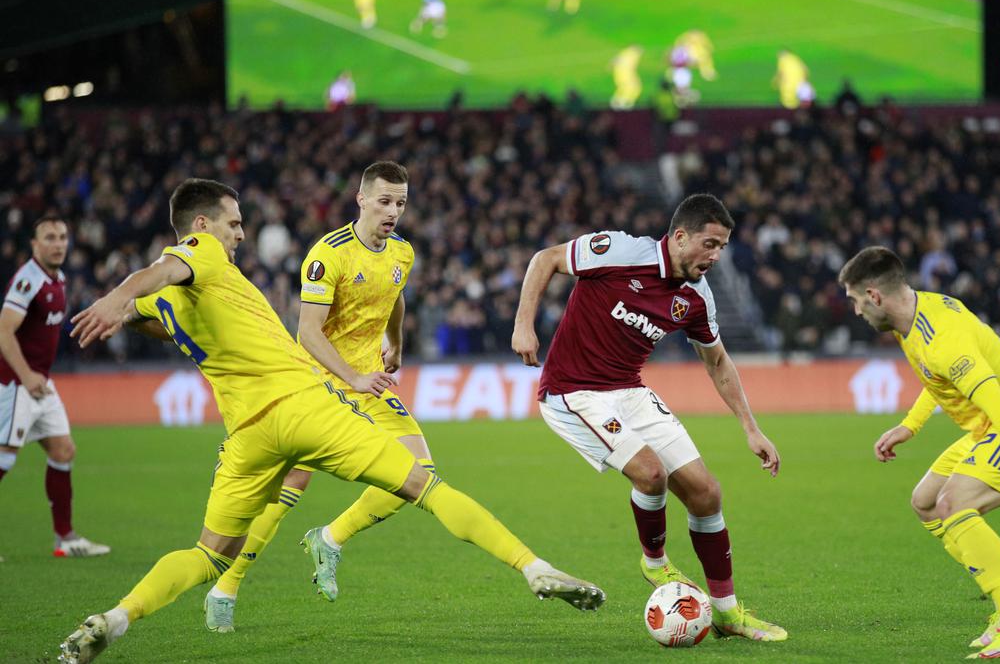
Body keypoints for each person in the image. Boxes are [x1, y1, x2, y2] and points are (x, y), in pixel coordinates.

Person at [57, 179, 604, 663]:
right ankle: (533, 567)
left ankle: (118, 617)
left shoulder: (173, 299)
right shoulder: (200, 252)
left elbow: (149, 312)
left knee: (206, 555)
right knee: (426, 486)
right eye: (235, 223)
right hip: (303, 403)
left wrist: (123, 313)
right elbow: (157, 271)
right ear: (202, 224)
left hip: (246, 435)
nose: (241, 235)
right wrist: (118, 294)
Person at [204, 161, 567, 631]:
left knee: (422, 473)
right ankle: (225, 588)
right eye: (384, 201)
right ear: (361, 199)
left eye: (400, 203)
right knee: (284, 491)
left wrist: (395, 340)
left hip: (367, 381)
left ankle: (330, 538)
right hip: (314, 383)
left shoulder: (402, 253)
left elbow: (394, 293)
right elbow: (308, 332)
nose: (393, 211)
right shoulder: (327, 254)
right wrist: (353, 375)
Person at [511, 193, 787, 642]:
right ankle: (655, 563)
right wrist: (524, 324)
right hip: (572, 391)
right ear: (680, 237)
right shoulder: (619, 251)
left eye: (722, 247)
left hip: (630, 390)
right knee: (651, 474)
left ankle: (727, 614)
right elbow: (545, 259)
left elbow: (717, 362)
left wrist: (750, 428)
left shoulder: (696, 297)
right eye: (710, 244)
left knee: (706, 494)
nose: (716, 256)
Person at [838, 246, 1000, 659]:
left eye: (855, 300)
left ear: (875, 296)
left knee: (954, 503)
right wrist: (910, 425)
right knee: (925, 502)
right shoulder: (916, 316)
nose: (855, 311)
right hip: (990, 428)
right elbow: (933, 375)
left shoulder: (945, 340)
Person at [0, 216, 110, 559]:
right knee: (3, 460)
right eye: (49, 237)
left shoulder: (59, 280)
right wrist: (26, 375)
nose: (59, 243)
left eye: (63, 236)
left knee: (63, 451)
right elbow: (4, 331)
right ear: (34, 245)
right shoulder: (27, 281)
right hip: (17, 383)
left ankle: (65, 538)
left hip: (41, 383)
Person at [609, 45, 643, 110]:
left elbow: (616, 60)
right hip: (625, 74)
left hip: (623, 74)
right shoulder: (630, 54)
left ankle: (618, 102)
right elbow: (617, 60)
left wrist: (612, 65)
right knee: (633, 88)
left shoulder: (626, 53)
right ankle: (623, 103)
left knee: (626, 88)